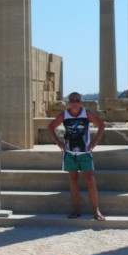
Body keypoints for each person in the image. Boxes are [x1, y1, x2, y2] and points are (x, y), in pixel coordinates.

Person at [48, 91, 106, 221]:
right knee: (73, 181)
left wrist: (94, 142)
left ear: (81, 102)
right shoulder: (64, 115)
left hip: (85, 153)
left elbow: (101, 125)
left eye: (77, 100)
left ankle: (96, 211)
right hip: (70, 154)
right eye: (72, 100)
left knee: (90, 180)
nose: (75, 103)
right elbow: (50, 127)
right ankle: (77, 211)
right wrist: (59, 143)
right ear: (69, 102)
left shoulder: (87, 113)